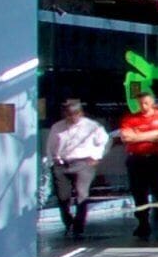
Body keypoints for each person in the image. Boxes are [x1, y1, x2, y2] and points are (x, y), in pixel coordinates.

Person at [45, 98, 110, 241]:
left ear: (80, 113)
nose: (72, 117)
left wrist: (96, 157)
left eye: (75, 113)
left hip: (83, 163)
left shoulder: (93, 127)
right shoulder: (57, 127)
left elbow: (104, 142)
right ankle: (68, 221)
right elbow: (50, 145)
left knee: (82, 194)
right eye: (69, 114)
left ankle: (79, 226)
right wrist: (51, 161)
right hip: (62, 164)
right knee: (63, 196)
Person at [120, 91, 158, 240]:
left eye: (145, 103)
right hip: (136, 159)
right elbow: (126, 137)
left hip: (157, 158)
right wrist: (155, 134)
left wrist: (138, 136)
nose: (143, 106)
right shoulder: (131, 118)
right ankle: (142, 223)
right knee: (139, 193)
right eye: (140, 103)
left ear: (152, 102)